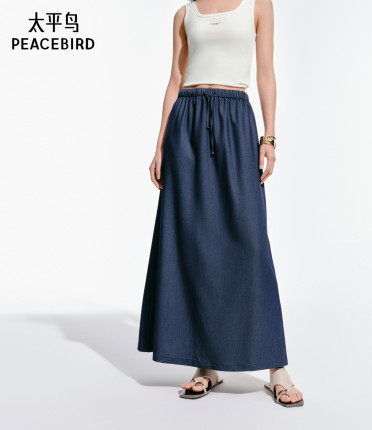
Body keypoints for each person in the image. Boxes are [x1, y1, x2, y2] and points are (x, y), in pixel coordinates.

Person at [137, 0, 304, 407]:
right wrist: (160, 145)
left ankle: (276, 367)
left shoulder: (257, 6)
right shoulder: (184, 14)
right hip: (186, 123)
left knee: (250, 242)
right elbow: (176, 79)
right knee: (192, 243)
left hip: (234, 119)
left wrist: (269, 137)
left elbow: (265, 72)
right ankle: (206, 365)